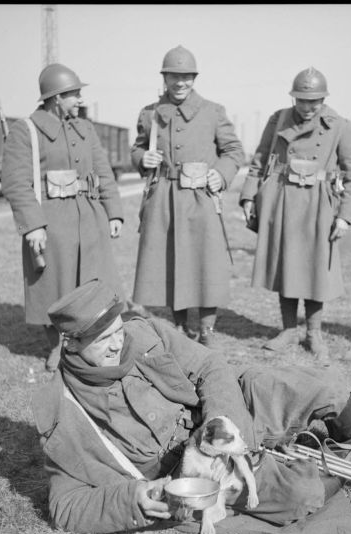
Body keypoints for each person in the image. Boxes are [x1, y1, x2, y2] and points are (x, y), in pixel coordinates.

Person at [32, 279, 351, 534]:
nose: (117, 345)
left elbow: (210, 366)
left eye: (117, 332)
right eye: (103, 340)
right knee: (302, 494)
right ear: (71, 343)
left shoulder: (145, 332)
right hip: (194, 475)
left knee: (328, 386)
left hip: (221, 409)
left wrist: (224, 416)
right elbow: (65, 505)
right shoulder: (62, 409)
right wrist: (133, 497)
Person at [1, 63, 125, 373]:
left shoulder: (85, 128)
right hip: (52, 223)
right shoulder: (25, 130)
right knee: (53, 287)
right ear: (56, 97)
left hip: (91, 217)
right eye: (74, 94)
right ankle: (57, 347)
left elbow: (103, 171)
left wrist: (114, 213)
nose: (80, 100)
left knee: (94, 284)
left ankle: (91, 341)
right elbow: (16, 182)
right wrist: (32, 226)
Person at [239, 67, 351, 363]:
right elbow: (259, 161)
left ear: (324, 99)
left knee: (315, 269)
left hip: (319, 204)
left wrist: (345, 216)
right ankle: (288, 330)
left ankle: (314, 332)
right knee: (285, 266)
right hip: (282, 201)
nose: (308, 108)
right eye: (302, 101)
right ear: (293, 98)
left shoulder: (339, 126)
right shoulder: (278, 119)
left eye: (315, 101)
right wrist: (248, 196)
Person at [129, 45, 244, 349]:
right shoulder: (150, 113)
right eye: (174, 77)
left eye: (187, 77)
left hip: (201, 198)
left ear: (195, 78)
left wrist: (220, 174)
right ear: (164, 78)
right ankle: (179, 327)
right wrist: (143, 158)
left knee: (206, 263)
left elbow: (233, 152)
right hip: (164, 198)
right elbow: (137, 148)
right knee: (171, 262)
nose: (181, 83)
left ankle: (207, 331)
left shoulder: (213, 112)